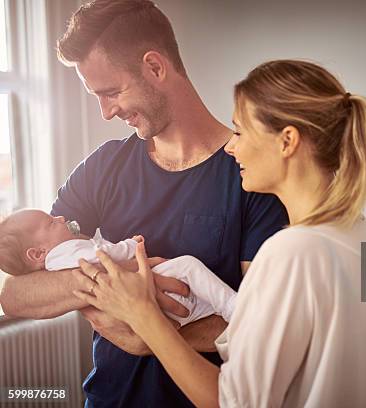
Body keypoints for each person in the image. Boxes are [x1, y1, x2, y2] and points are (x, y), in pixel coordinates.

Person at [0, 1, 287, 407]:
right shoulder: (103, 167)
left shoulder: (251, 178)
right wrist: (103, 285)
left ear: (155, 67)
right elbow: (15, 293)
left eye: (111, 92)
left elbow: (263, 326)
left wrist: (145, 330)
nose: (106, 111)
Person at [76, 59, 366, 407]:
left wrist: (144, 317)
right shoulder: (365, 233)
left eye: (240, 131)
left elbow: (232, 402)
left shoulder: (291, 253)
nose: (232, 147)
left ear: (287, 141)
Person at [0, 209, 236, 325]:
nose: (61, 218)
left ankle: (226, 311)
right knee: (188, 267)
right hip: (144, 295)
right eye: (51, 222)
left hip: (148, 312)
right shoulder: (66, 251)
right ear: (37, 253)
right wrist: (132, 245)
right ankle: (234, 308)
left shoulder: (58, 260)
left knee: (196, 294)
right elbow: (107, 256)